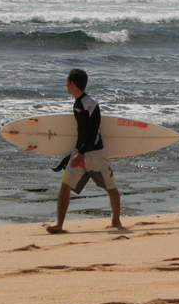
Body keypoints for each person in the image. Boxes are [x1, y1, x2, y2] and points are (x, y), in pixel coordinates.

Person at [46, 69, 123, 234]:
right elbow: (82, 133)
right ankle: (59, 225)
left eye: (67, 81)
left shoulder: (91, 103)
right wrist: (74, 153)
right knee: (65, 186)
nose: (66, 84)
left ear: (73, 83)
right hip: (79, 154)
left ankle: (116, 221)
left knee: (110, 187)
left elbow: (94, 133)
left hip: (96, 154)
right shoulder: (77, 103)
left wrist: (80, 152)